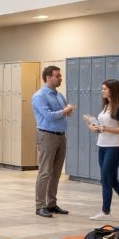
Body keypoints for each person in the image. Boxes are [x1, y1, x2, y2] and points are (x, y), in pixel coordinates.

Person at [89, 78, 119, 222]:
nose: (102, 91)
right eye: (102, 88)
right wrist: (95, 127)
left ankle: (106, 211)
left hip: (115, 148)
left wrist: (103, 128)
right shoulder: (106, 106)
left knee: (105, 179)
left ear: (113, 90)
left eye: (105, 89)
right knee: (112, 179)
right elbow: (104, 126)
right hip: (103, 146)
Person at [31, 65, 75, 217]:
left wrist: (67, 112)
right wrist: (64, 111)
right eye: (57, 76)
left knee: (56, 173)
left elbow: (62, 114)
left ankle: (51, 203)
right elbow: (49, 116)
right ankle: (40, 205)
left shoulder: (59, 95)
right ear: (48, 78)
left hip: (60, 135)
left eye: (60, 76)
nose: (60, 78)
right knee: (45, 172)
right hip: (47, 135)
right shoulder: (39, 96)